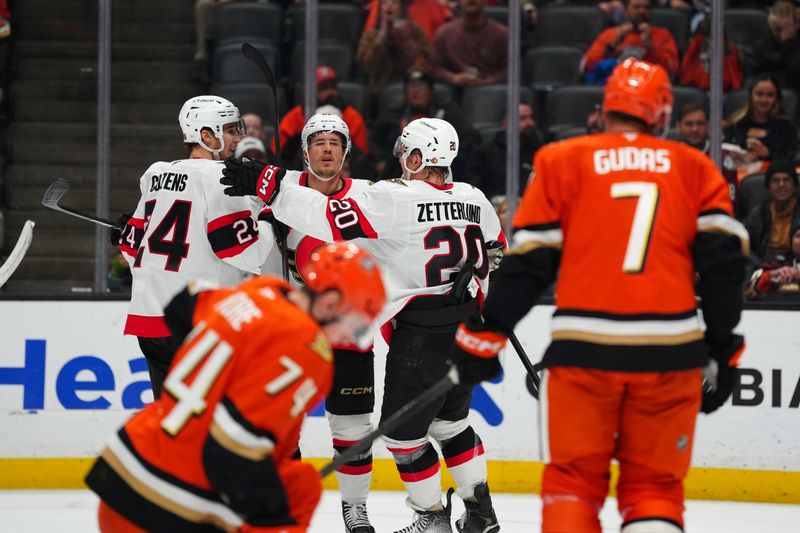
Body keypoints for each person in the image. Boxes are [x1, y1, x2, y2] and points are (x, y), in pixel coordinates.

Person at [452, 59, 749, 533]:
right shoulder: (695, 167)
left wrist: (483, 337)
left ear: (605, 106)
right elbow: (723, 266)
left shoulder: (561, 159)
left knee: (573, 486)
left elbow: (527, 267)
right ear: (662, 113)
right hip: (670, 354)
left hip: (583, 353)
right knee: (654, 490)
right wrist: (722, 348)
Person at [221, 117, 506, 533]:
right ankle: (481, 514)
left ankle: (432, 520)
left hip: (421, 332)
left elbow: (326, 217)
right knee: (451, 425)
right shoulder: (475, 198)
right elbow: (497, 247)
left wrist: (271, 183)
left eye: (405, 155)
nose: (400, 164)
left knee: (404, 438)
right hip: (466, 323)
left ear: (417, 155)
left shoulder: (396, 197)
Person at [85, 242, 387, 533]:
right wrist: (274, 517)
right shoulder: (308, 351)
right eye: (354, 323)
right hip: (172, 506)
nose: (348, 338)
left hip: (123, 472)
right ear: (331, 302)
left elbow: (182, 306)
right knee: (300, 487)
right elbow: (234, 444)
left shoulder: (260, 291)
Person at [247, 113, 382, 533]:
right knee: (284, 423)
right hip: (294, 330)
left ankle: (355, 510)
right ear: (305, 151)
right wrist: (264, 227)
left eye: (335, 143)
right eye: (318, 142)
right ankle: (285, 502)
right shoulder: (279, 188)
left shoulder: (369, 194)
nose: (327, 149)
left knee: (353, 426)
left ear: (346, 151)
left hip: (350, 327)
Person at [112, 95, 272, 398]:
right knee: (214, 427)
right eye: (229, 129)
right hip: (199, 325)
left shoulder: (155, 174)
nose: (238, 136)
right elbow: (245, 252)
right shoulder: (224, 177)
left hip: (149, 321)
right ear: (206, 135)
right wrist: (267, 220)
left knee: (173, 423)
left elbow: (130, 247)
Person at [370, 66, 483, 184]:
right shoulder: (394, 112)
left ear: (430, 90)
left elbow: (471, 138)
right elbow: (374, 141)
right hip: (397, 175)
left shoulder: (447, 112)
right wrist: (380, 160)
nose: (416, 91)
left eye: (421, 86)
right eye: (411, 86)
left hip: (439, 174)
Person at [276, 66, 370, 169]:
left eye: (332, 87)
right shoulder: (294, 117)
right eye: (323, 88)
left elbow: (361, 160)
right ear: (312, 92)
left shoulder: (352, 117)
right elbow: (278, 155)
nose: (330, 92)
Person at [583, 0, 679, 81]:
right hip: (614, 84)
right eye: (636, 7)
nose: (642, 11)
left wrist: (649, 47)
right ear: (626, 10)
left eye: (646, 8)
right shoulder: (610, 34)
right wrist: (613, 44)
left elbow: (671, 72)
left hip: (649, 85)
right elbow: (587, 67)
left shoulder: (663, 35)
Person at [724, 73, 798, 175]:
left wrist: (767, 153)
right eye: (759, 94)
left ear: (777, 98)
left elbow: (793, 159)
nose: (764, 100)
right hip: (739, 177)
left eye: (770, 95)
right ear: (751, 96)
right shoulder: (736, 125)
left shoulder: (786, 127)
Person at [357, 0, 431, 97]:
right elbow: (368, 68)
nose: (389, 6)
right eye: (384, 3)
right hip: (380, 87)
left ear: (402, 8)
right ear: (380, 9)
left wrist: (406, 40)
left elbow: (424, 63)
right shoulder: (371, 35)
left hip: (411, 83)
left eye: (394, 2)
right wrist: (380, 38)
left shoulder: (416, 31)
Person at [675, 103, 740, 212]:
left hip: (713, 218)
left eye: (700, 124)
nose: (695, 129)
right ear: (678, 126)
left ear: (708, 125)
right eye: (689, 124)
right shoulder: (669, 157)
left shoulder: (723, 157)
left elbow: (730, 198)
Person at [431, 0, 508, 88]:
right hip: (456, 93)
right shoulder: (444, 34)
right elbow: (435, 68)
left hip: (490, 94)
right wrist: (453, 78)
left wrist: (485, 83)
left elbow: (510, 71)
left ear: (486, 1)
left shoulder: (502, 35)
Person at [479, 103, 544, 199]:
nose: (530, 123)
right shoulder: (488, 149)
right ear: (506, 123)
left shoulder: (539, 149)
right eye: (522, 118)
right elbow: (475, 186)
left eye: (531, 117)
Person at [743, 159, 800, 268]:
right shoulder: (758, 214)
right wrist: (761, 265)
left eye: (786, 180)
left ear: (794, 185)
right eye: (775, 180)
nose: (781, 185)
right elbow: (744, 247)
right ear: (768, 187)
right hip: (764, 267)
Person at [746, 0, 800, 95]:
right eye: (776, 30)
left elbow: (795, 73)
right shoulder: (762, 42)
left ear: (796, 25)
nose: (780, 34)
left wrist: (787, 43)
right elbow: (755, 70)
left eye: (784, 29)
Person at [678, 14, 743, 92]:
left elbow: (734, 83)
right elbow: (686, 78)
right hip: (697, 91)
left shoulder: (730, 50)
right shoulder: (694, 46)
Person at [746, 222, 800, 299]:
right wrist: (772, 276)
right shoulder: (775, 264)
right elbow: (749, 291)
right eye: (799, 236)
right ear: (790, 241)